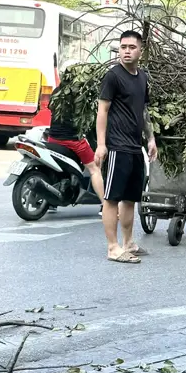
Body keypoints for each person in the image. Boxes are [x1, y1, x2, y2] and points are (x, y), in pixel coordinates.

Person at [96, 29, 156, 264]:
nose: (126, 51)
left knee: (130, 198)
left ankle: (128, 242)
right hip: (117, 147)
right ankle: (113, 247)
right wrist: (102, 145)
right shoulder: (113, 76)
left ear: (141, 50)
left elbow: (143, 110)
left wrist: (150, 139)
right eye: (123, 47)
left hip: (134, 147)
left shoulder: (142, 77)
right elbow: (103, 110)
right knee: (112, 198)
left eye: (131, 47)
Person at [44, 69, 102, 199]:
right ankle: (105, 205)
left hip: (53, 139)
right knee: (94, 169)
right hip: (73, 141)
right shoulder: (80, 96)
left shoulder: (56, 92)